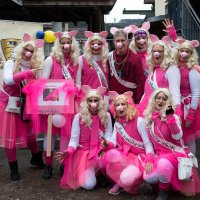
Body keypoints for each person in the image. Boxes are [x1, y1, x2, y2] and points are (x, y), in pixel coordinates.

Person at [0, 33, 45, 181]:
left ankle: (36, 158)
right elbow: (8, 79)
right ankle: (13, 169)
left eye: (32, 51)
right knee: (10, 138)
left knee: (30, 133)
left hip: (25, 104)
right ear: (20, 49)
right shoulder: (11, 63)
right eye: (27, 49)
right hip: (8, 104)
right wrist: (26, 74)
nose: (29, 53)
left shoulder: (34, 66)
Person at [143, 88, 200, 200]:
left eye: (164, 99)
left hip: (175, 154)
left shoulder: (173, 117)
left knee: (163, 164)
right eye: (158, 98)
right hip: (159, 155)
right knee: (148, 177)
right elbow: (148, 143)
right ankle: (166, 183)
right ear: (154, 100)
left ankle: (163, 192)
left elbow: (178, 136)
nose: (160, 101)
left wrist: (170, 118)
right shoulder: (149, 118)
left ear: (168, 102)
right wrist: (149, 159)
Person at [55, 85, 113, 190]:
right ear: (86, 102)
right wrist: (69, 150)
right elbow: (74, 139)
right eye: (90, 100)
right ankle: (94, 174)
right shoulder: (79, 117)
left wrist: (106, 144)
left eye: (96, 100)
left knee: (112, 157)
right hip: (85, 153)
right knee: (89, 186)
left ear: (100, 102)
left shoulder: (107, 116)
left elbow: (109, 135)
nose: (93, 103)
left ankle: (100, 174)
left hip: (101, 151)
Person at [40, 30, 80, 179]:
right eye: (62, 42)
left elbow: (78, 83)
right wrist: (45, 105)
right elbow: (43, 81)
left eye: (68, 42)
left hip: (69, 104)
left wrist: (73, 88)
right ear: (58, 44)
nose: (66, 45)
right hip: (52, 102)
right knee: (49, 136)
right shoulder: (50, 60)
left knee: (66, 136)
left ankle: (63, 164)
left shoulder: (76, 61)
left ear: (72, 44)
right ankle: (48, 164)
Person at [105, 90, 154, 195]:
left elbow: (148, 143)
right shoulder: (118, 122)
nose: (120, 107)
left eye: (123, 104)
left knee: (126, 179)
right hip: (125, 155)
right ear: (114, 108)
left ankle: (134, 182)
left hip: (139, 157)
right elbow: (113, 141)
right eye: (117, 105)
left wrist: (150, 159)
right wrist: (106, 144)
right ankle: (119, 183)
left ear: (129, 106)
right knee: (110, 154)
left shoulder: (139, 121)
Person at [138, 35, 181, 116]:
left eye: (159, 51)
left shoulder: (172, 69)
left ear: (165, 53)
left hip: (162, 111)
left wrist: (174, 114)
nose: (156, 53)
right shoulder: (153, 69)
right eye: (154, 51)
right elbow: (146, 92)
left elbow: (175, 94)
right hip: (148, 110)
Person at [173, 39, 200, 154]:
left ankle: (192, 167)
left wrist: (191, 116)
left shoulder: (192, 70)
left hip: (188, 108)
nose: (183, 53)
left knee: (189, 140)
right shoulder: (174, 67)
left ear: (191, 54)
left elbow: (196, 93)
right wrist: (172, 34)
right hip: (175, 106)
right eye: (182, 50)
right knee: (177, 138)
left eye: (187, 51)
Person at [108, 26, 146, 104]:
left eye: (123, 40)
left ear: (127, 42)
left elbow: (140, 82)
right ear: (114, 42)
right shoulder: (108, 57)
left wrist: (138, 102)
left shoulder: (135, 58)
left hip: (131, 101)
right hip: (114, 101)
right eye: (117, 40)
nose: (120, 43)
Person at [75, 31, 109, 108]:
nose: (95, 46)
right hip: (87, 99)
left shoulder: (107, 59)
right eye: (92, 44)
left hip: (103, 99)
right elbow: (78, 83)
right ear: (88, 45)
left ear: (103, 45)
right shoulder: (81, 59)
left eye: (99, 44)